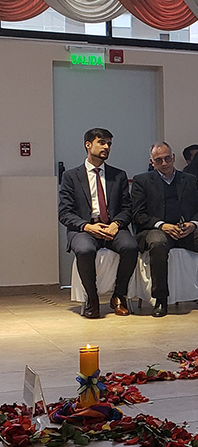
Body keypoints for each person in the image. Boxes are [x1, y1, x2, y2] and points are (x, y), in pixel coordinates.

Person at [131, 142, 198, 317]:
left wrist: (193, 224)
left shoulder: (189, 180)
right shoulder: (142, 181)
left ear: (173, 158)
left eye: (167, 158)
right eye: (159, 160)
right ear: (152, 163)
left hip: (184, 229)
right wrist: (161, 225)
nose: (164, 163)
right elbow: (138, 214)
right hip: (157, 229)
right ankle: (160, 300)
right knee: (158, 243)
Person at [58, 128, 139, 318]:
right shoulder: (71, 176)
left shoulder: (118, 175)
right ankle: (92, 300)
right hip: (84, 229)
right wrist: (87, 226)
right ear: (88, 144)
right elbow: (64, 213)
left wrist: (116, 224)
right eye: (102, 142)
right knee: (85, 250)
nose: (106, 147)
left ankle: (118, 297)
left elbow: (127, 208)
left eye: (109, 143)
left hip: (112, 227)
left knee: (131, 246)